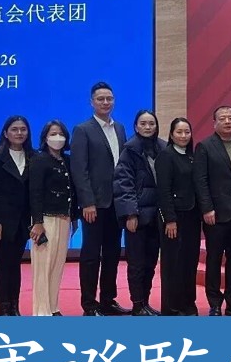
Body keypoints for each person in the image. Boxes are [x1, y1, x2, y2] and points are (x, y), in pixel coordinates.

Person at [71, 81, 130, 316]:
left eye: (109, 98)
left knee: (113, 254)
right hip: (94, 205)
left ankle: (108, 300)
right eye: (100, 99)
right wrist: (87, 202)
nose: (106, 102)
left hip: (117, 203)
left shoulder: (120, 129)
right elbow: (79, 169)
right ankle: (89, 305)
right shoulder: (82, 130)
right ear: (92, 102)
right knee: (91, 255)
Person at [193, 105, 231, 316]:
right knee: (214, 260)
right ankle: (215, 303)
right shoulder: (205, 146)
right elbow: (200, 181)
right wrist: (207, 208)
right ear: (214, 123)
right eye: (223, 118)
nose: (227, 122)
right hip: (215, 215)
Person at [114, 110, 166, 316]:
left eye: (151, 123)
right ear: (136, 126)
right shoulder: (129, 150)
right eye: (143, 123)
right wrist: (130, 214)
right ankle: (137, 305)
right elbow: (123, 183)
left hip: (157, 217)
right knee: (136, 264)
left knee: (151, 263)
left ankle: (145, 302)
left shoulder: (163, 147)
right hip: (137, 217)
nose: (147, 127)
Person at [0, 115, 34, 316]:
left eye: (23, 129)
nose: (19, 133)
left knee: (16, 264)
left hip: (23, 221)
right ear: (6, 133)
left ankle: (14, 306)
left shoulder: (33, 156)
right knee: (4, 264)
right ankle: (3, 307)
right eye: (14, 129)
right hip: (3, 221)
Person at [27, 120, 76, 316]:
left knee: (57, 264)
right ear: (45, 138)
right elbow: (35, 192)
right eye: (53, 134)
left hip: (64, 218)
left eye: (61, 134)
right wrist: (37, 222)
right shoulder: (39, 160)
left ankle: (53, 307)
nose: (58, 138)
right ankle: (41, 310)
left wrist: (74, 217)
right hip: (45, 220)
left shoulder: (67, 160)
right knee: (43, 266)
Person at [156, 117, 200, 315]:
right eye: (179, 132)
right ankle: (172, 308)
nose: (183, 136)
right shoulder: (166, 156)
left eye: (187, 132)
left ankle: (188, 304)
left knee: (189, 262)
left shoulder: (191, 156)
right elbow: (163, 191)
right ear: (171, 135)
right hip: (174, 219)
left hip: (191, 217)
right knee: (173, 263)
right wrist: (170, 219)